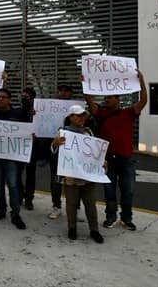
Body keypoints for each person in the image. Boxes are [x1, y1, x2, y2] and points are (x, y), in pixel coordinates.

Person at [84, 70, 147, 231]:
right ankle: (110, 217)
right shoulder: (101, 113)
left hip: (126, 159)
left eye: (109, 97)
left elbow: (144, 101)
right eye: (105, 97)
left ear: (117, 99)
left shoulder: (128, 112)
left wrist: (141, 81)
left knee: (128, 191)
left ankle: (126, 219)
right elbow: (89, 102)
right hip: (108, 160)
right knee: (109, 191)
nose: (106, 100)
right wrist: (85, 84)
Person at [51, 104, 105, 243]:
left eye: (83, 115)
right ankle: (72, 228)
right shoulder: (62, 131)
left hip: (87, 174)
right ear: (71, 117)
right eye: (79, 115)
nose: (82, 118)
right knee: (71, 203)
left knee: (90, 203)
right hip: (71, 174)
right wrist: (56, 144)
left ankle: (94, 230)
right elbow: (53, 149)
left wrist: (101, 161)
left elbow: (95, 150)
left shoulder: (88, 131)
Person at [0, 88, 28, 230]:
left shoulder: (18, 114)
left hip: (12, 157)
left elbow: (26, 130)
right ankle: (1, 210)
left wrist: (30, 136)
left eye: (3, 97)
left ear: (10, 100)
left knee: (13, 185)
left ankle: (15, 214)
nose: (0, 99)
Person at [48, 84, 74, 220]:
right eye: (61, 91)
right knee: (56, 182)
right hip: (58, 156)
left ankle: (74, 208)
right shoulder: (50, 106)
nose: (64, 93)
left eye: (67, 91)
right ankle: (56, 206)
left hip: (73, 158)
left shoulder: (77, 107)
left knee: (74, 183)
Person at [18, 87, 37, 210]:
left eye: (27, 97)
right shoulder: (18, 111)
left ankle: (29, 199)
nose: (24, 99)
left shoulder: (37, 113)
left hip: (32, 146)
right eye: (23, 97)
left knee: (30, 174)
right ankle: (19, 196)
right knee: (17, 173)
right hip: (19, 146)